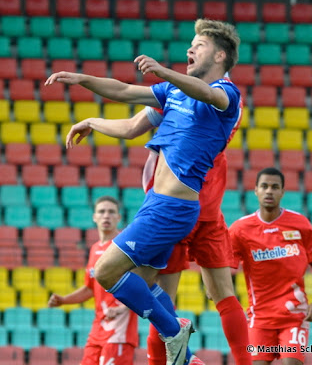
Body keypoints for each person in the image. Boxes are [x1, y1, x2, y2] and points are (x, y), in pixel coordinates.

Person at [45, 18, 242, 365]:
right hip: (157, 204)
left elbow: (206, 93)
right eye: (190, 44)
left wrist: (163, 71)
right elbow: (124, 91)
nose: (190, 49)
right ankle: (185, 354)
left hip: (173, 209)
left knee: (106, 272)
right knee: (147, 284)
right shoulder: (175, 93)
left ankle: (174, 332)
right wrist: (82, 83)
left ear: (221, 55)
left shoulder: (227, 94)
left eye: (199, 45)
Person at [66, 103, 251, 365]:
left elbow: (131, 120)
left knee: (153, 294)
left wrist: (93, 119)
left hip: (173, 210)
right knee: (224, 295)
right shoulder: (227, 107)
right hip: (209, 212)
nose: (189, 61)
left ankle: (181, 351)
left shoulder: (180, 100)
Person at [229, 167, 312, 365]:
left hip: (294, 314)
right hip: (260, 317)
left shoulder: (300, 224)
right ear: (255, 190)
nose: (269, 191)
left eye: (275, 187)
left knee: (291, 362)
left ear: (282, 192)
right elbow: (222, 265)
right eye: (264, 186)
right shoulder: (240, 229)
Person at [48, 196, 138, 365]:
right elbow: (90, 288)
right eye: (102, 212)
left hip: (119, 329)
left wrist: (122, 308)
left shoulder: (124, 247)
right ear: (94, 217)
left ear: (119, 218)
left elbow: (142, 283)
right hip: (98, 328)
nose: (106, 216)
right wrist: (64, 300)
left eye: (111, 212)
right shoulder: (95, 249)